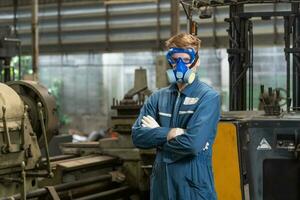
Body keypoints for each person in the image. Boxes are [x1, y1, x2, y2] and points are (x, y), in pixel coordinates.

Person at [132, 33, 221, 200]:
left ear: (197, 61)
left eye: (186, 59)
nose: (180, 65)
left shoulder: (208, 97)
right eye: (175, 58)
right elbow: (138, 137)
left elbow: (192, 144)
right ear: (170, 60)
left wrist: (157, 134)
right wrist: (171, 133)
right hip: (161, 186)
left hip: (193, 186)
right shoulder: (157, 98)